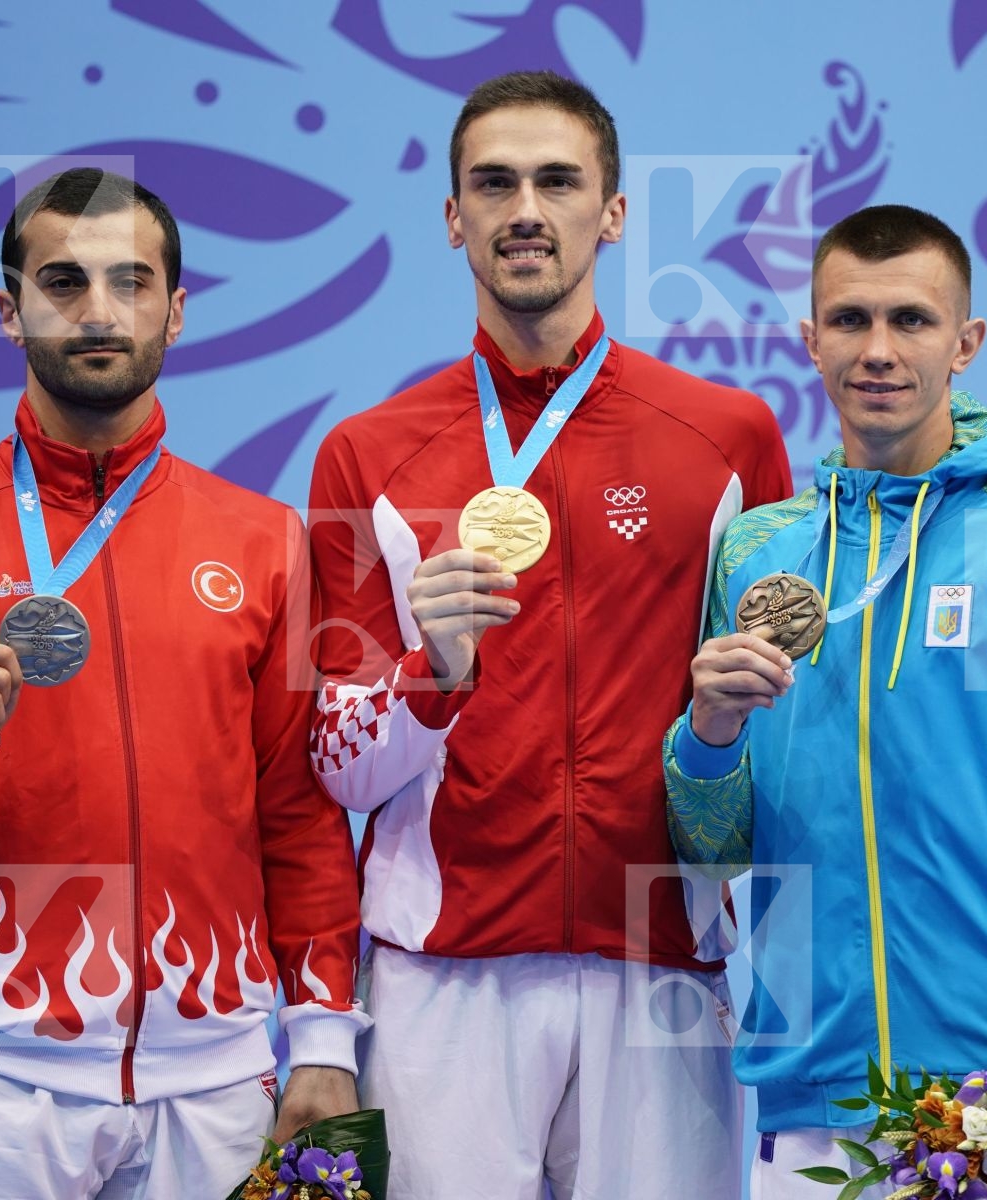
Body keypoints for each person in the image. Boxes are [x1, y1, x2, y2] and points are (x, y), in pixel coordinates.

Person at [0, 168, 366, 1197]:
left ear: (176, 309)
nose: (100, 311)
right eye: (63, 282)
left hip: (217, 1084)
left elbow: (298, 814)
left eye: (131, 281)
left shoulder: (267, 543)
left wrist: (326, 1036)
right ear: (8, 309)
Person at [305, 71, 791, 1197]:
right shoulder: (367, 455)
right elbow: (333, 766)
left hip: (664, 955)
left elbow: (779, 722)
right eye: (496, 183)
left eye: (558, 181)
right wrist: (435, 675)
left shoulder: (726, 436)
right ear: (453, 217)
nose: (527, 208)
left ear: (612, 213)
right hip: (445, 964)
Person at [662, 203, 987, 1198]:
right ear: (809, 341)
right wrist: (707, 738)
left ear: (966, 342)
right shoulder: (759, 553)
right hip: (813, 1095)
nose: (877, 351)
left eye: (912, 321)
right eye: (848, 321)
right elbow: (717, 856)